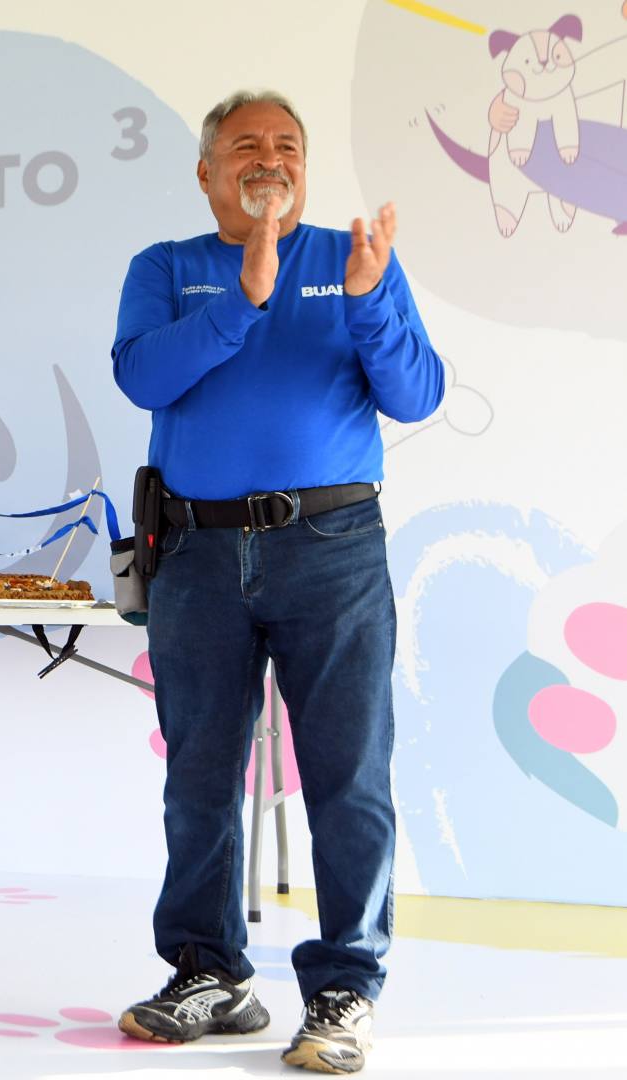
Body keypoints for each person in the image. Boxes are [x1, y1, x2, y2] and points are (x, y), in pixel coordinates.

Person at [110, 91, 444, 1074]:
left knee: (348, 773)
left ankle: (346, 989)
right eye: (246, 145)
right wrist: (244, 300)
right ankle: (211, 973)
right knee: (199, 776)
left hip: (330, 547)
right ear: (206, 171)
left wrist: (371, 303)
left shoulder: (354, 259)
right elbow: (142, 378)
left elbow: (417, 393)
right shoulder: (165, 267)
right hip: (197, 553)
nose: (270, 159)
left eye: (287, 145)